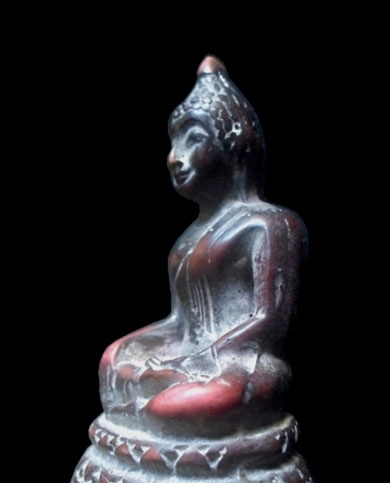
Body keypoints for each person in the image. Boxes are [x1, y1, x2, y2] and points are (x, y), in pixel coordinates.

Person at [99, 56, 307, 431]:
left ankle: (160, 414)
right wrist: (131, 347)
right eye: (173, 143)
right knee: (112, 361)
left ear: (234, 148)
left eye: (193, 140)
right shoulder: (187, 239)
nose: (174, 158)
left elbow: (268, 323)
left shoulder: (270, 225)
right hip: (188, 354)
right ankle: (152, 408)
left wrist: (194, 362)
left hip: (240, 361)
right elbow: (179, 323)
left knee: (186, 403)